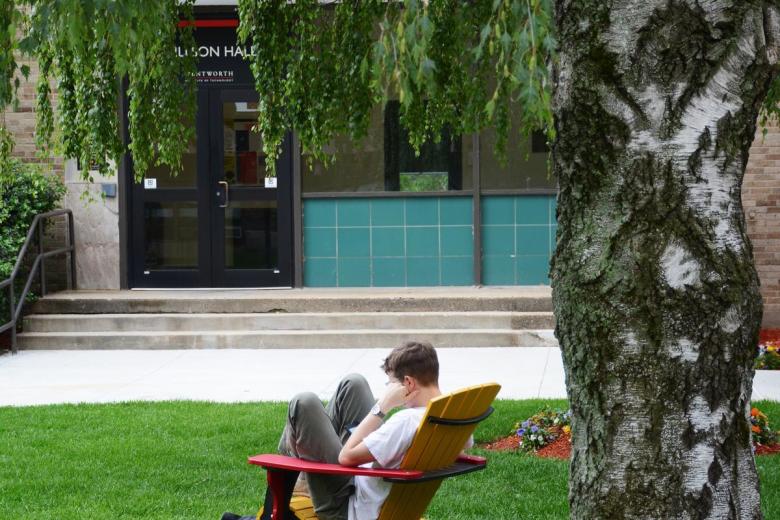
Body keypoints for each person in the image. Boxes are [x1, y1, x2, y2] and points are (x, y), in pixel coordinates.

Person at [222, 340, 460, 520]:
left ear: (408, 383)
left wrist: (382, 406)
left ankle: (286, 482)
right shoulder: (453, 416)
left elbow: (346, 457)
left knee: (303, 403)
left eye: (391, 384)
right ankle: (298, 475)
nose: (388, 389)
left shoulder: (406, 421)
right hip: (372, 485)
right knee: (353, 384)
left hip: (348, 506)